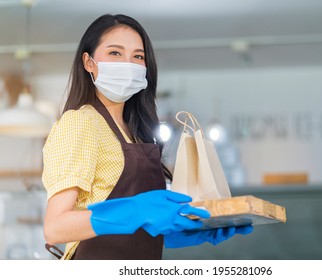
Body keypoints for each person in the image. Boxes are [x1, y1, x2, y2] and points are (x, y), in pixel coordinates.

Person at [42, 14, 253, 260]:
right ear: (88, 62)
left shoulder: (135, 132)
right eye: (115, 53)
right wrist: (137, 209)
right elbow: (55, 228)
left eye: (138, 56)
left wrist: (193, 232)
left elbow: (132, 232)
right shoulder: (80, 123)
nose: (128, 63)